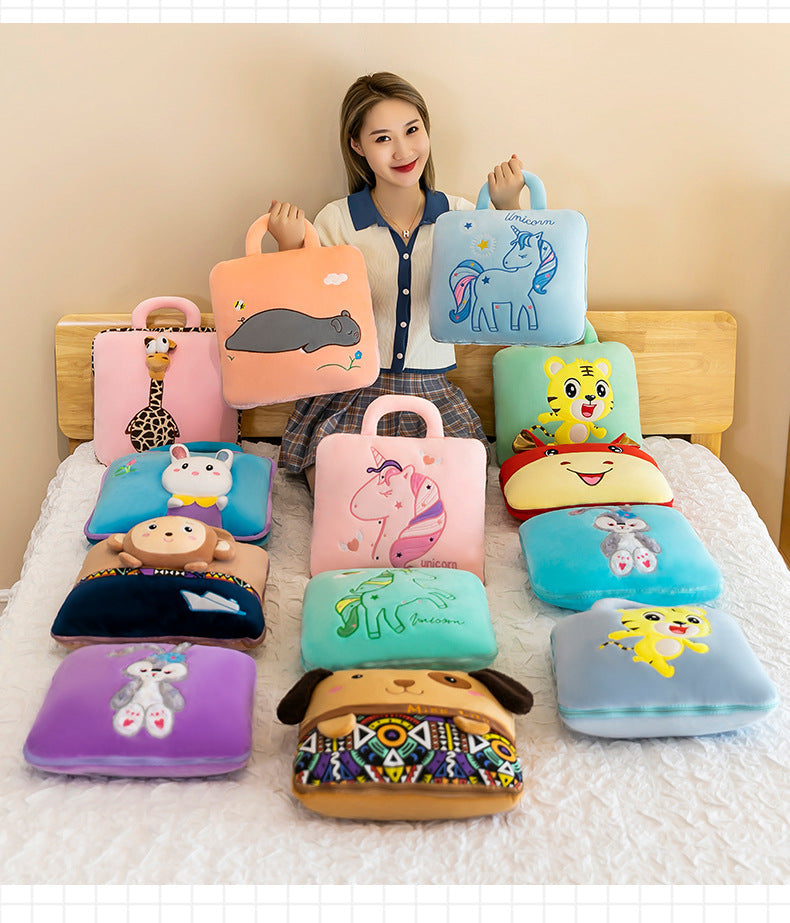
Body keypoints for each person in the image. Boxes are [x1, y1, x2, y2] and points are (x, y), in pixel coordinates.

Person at [268, 71, 526, 490]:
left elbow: (515, 280)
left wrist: (508, 206)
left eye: (412, 130)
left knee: (454, 492)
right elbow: (307, 303)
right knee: (343, 492)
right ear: (357, 145)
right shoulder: (337, 220)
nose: (403, 151)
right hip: (353, 391)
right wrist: (289, 246)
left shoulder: (461, 217)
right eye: (383, 138)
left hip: (432, 394)